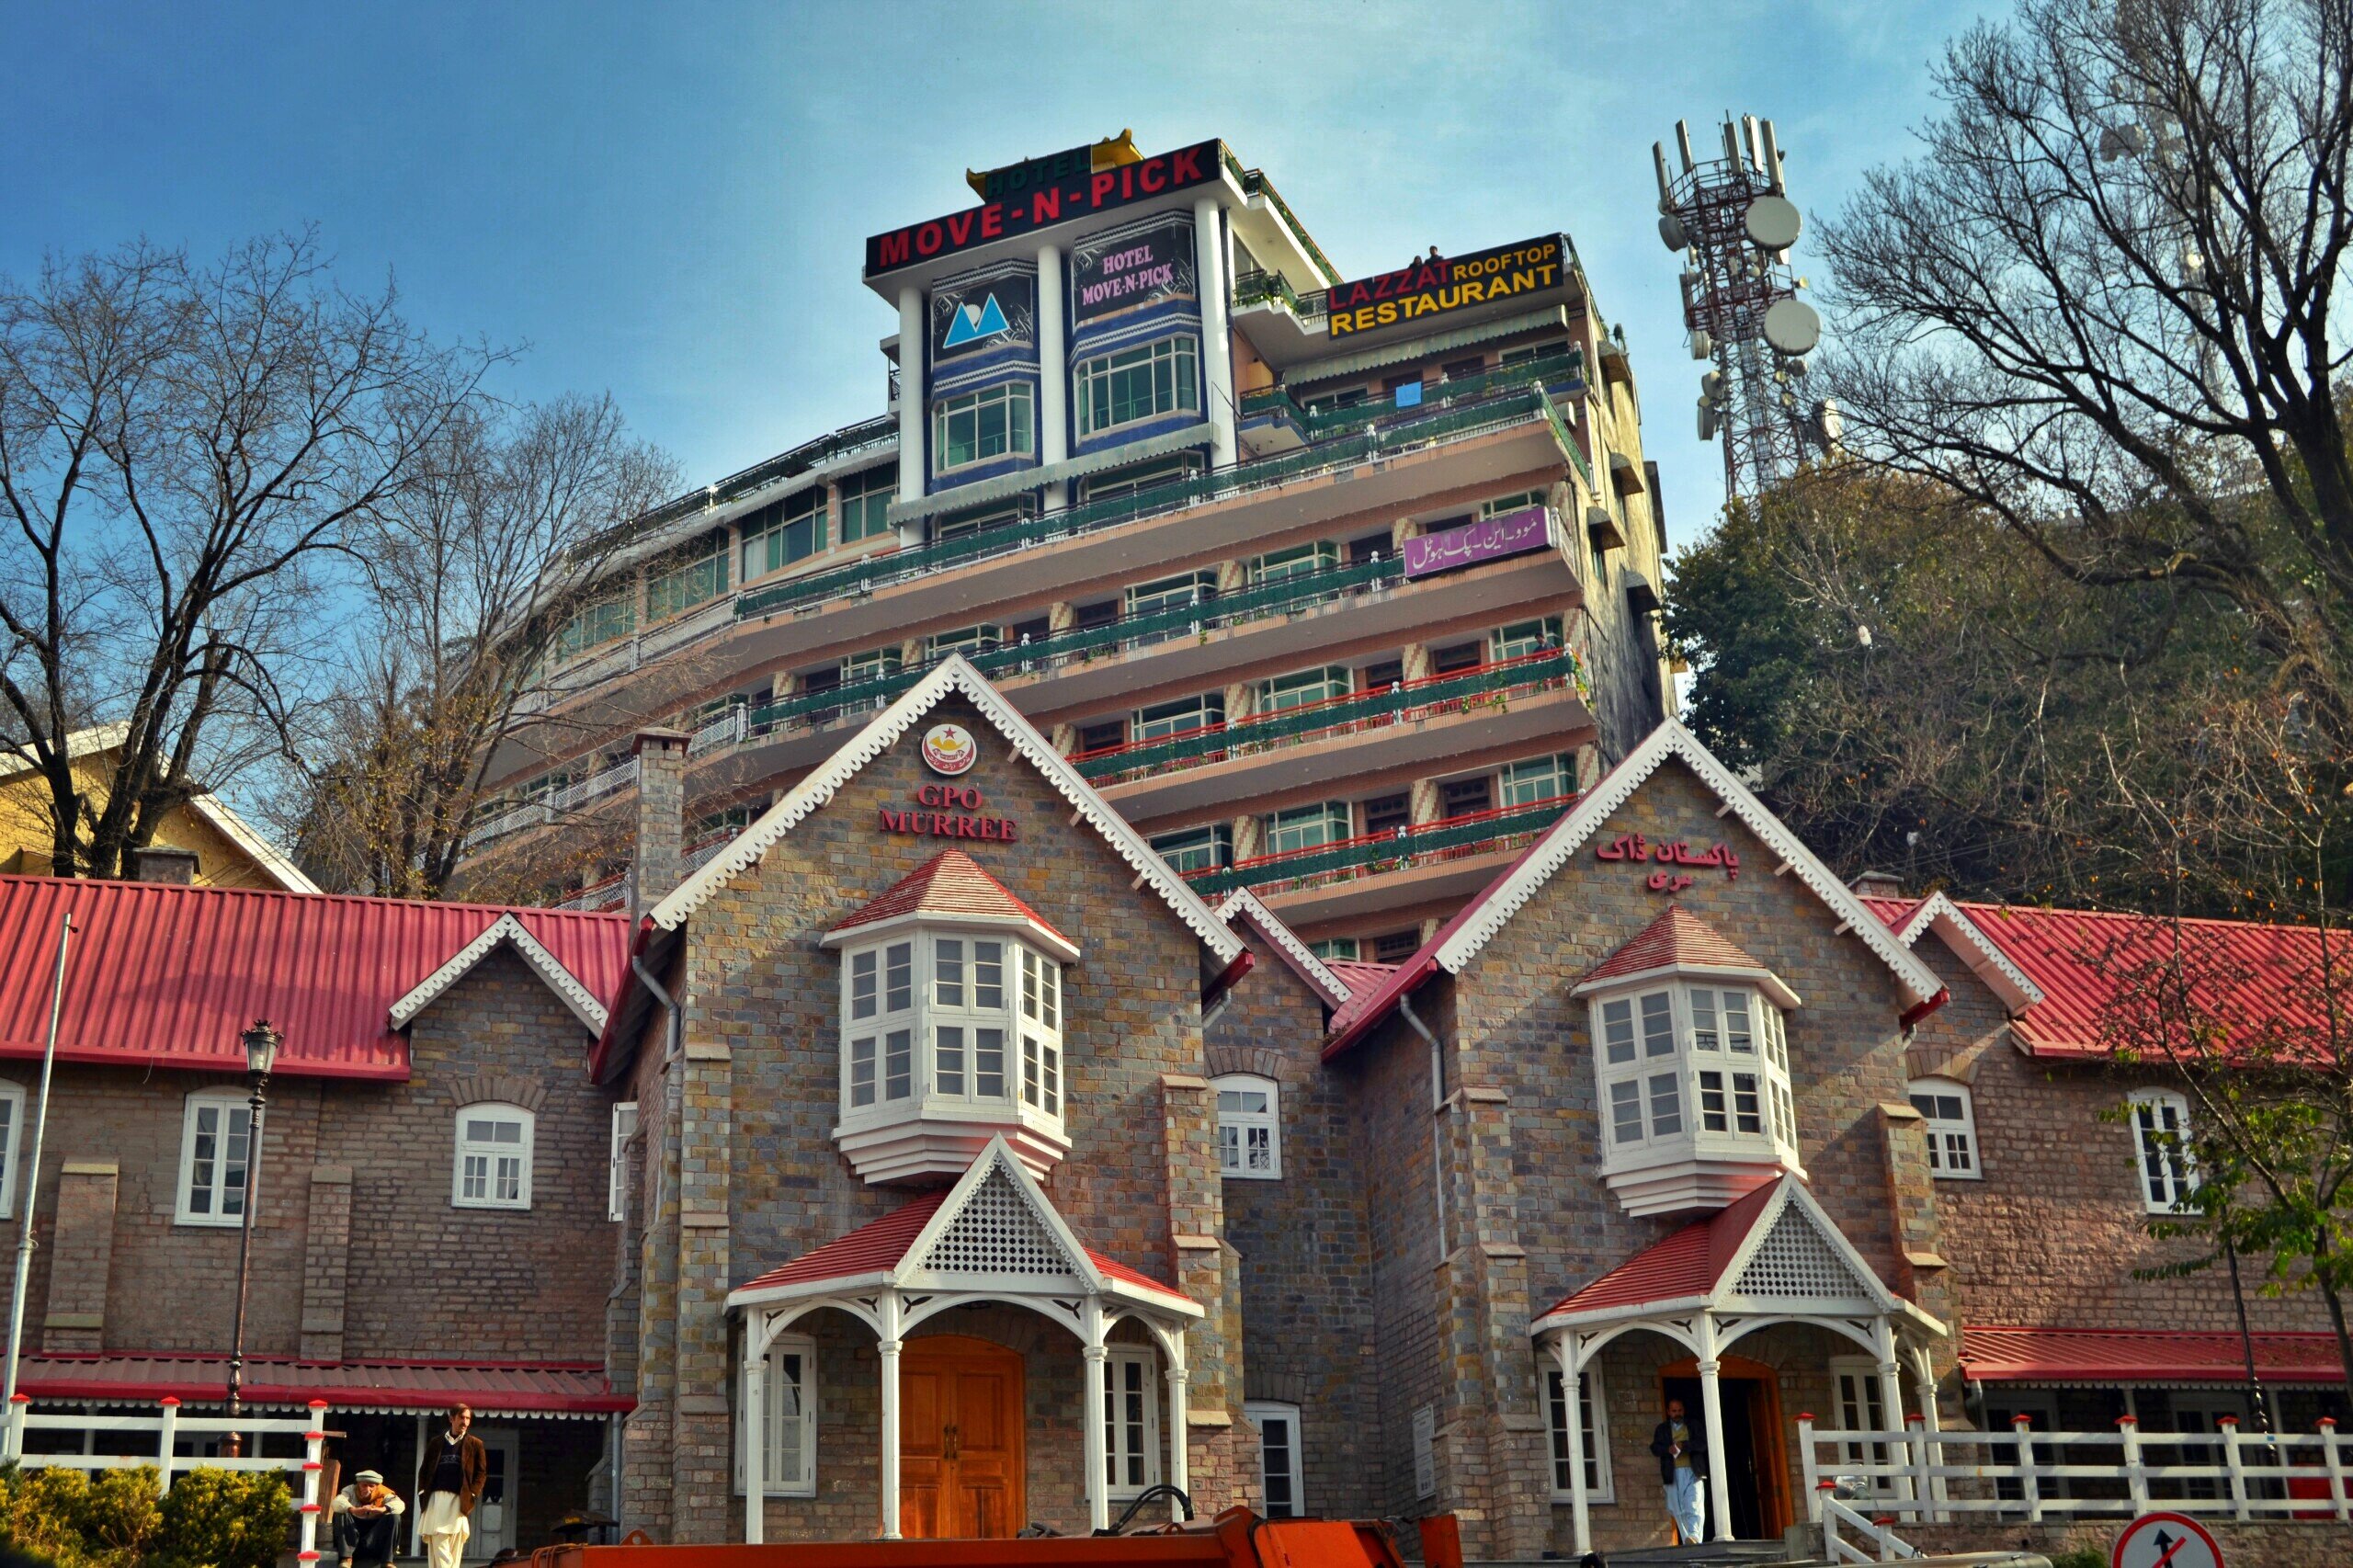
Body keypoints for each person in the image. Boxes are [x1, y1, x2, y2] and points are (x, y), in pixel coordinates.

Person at [415, 1405, 487, 1568]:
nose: (465, 1422)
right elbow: (424, 1470)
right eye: (462, 1417)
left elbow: (481, 1473)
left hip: (459, 1500)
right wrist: (422, 1491)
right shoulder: (436, 1443)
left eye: (468, 1418)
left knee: (455, 1547)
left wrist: (473, 1494)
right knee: (438, 1541)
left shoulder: (475, 1444)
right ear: (451, 1418)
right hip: (436, 1499)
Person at [1650, 1396, 1707, 1544]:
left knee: (1693, 1504)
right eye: (1674, 1411)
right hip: (1672, 1473)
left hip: (1693, 1471)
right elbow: (1655, 1448)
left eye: (1679, 1410)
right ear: (1669, 1412)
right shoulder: (1662, 1429)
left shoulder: (1693, 1425)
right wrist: (1667, 1449)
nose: (1677, 1413)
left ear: (1684, 1410)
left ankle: (1694, 1535)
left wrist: (1685, 1445)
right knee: (1678, 1509)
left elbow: (1702, 1444)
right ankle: (1688, 1540)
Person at [329, 1470, 404, 1568]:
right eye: (364, 1485)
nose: (367, 1489)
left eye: (371, 1486)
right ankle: (346, 1558)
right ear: (358, 1484)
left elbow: (400, 1505)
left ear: (377, 1486)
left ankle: (387, 1561)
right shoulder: (350, 1490)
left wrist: (382, 1509)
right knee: (341, 1514)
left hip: (375, 1538)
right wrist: (354, 1510)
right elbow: (337, 1502)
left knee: (395, 1517)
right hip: (353, 1537)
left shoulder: (385, 1493)